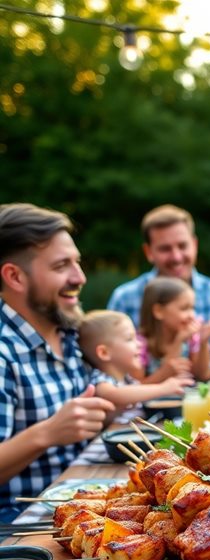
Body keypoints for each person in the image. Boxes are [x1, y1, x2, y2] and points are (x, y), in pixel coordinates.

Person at [0, 203, 114, 522]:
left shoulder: (70, 330)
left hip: (85, 504)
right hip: (19, 523)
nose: (80, 277)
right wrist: (47, 432)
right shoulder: (3, 351)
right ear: (15, 277)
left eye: (77, 262)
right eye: (62, 265)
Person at [107, 205, 210, 378]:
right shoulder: (124, 298)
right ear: (149, 252)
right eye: (165, 249)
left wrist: (200, 372)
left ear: (194, 244)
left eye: (183, 246)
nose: (176, 257)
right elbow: (109, 361)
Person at [78, 309, 194, 411]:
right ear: (104, 353)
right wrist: (164, 388)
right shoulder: (101, 382)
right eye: (130, 339)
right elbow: (118, 395)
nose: (139, 344)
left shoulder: (127, 379)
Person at [137, 276, 210, 383]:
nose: (192, 315)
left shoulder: (190, 339)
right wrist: (178, 341)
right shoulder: (139, 344)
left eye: (192, 308)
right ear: (159, 311)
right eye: (184, 308)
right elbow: (136, 388)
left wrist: (203, 342)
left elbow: (203, 375)